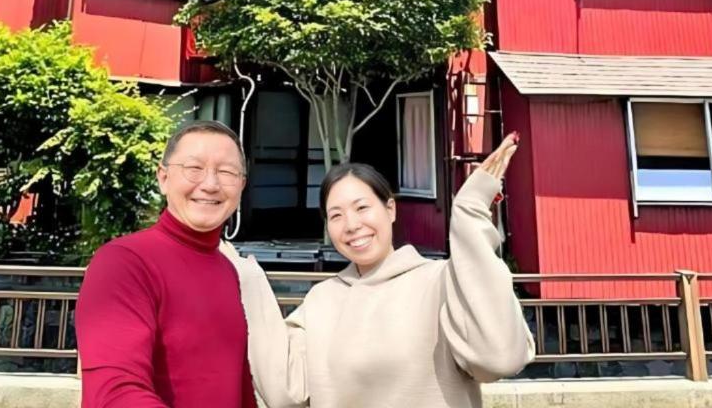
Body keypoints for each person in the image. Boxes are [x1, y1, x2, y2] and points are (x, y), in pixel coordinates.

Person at [225, 133, 534, 408]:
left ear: (390, 209)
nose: (352, 225)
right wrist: (245, 276)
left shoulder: (440, 281)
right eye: (336, 215)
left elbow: (500, 357)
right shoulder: (322, 300)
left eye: (362, 208)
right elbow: (284, 393)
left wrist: (469, 216)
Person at [76, 120, 257, 408]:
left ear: (242, 185)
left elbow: (240, 388)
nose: (210, 184)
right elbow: (115, 392)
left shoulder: (227, 270)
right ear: (163, 178)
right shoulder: (124, 262)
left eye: (226, 172)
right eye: (194, 168)